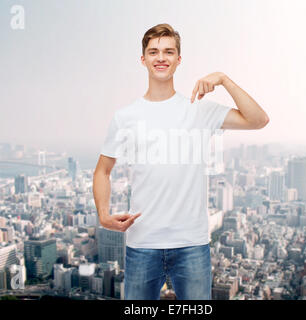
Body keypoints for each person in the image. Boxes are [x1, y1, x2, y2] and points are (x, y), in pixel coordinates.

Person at [93, 23, 269, 300]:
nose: (161, 58)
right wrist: (103, 215)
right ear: (143, 59)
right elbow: (103, 171)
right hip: (142, 243)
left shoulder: (199, 109)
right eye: (153, 52)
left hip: (192, 244)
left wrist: (224, 79)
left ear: (178, 60)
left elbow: (259, 120)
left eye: (168, 52)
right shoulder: (125, 117)